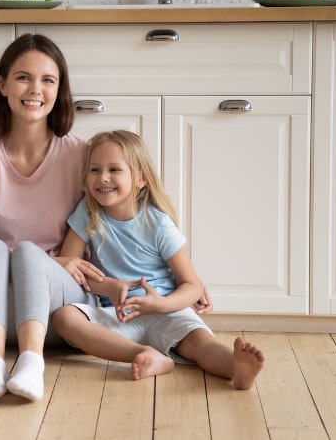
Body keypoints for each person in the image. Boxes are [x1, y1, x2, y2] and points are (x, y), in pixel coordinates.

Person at [0, 34, 106, 403]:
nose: (35, 89)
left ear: (59, 90)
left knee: (26, 253)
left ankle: (32, 363)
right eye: (23, 77)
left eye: (48, 80)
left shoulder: (81, 156)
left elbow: (90, 240)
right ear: (2, 85)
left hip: (60, 304)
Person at [52, 130, 264, 389]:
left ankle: (236, 367)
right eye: (94, 170)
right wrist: (109, 286)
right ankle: (144, 355)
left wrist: (161, 304)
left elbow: (192, 285)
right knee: (64, 318)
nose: (102, 178)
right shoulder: (87, 213)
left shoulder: (157, 223)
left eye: (114, 169)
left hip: (168, 311)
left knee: (200, 344)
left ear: (140, 178)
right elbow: (69, 267)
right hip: (119, 315)